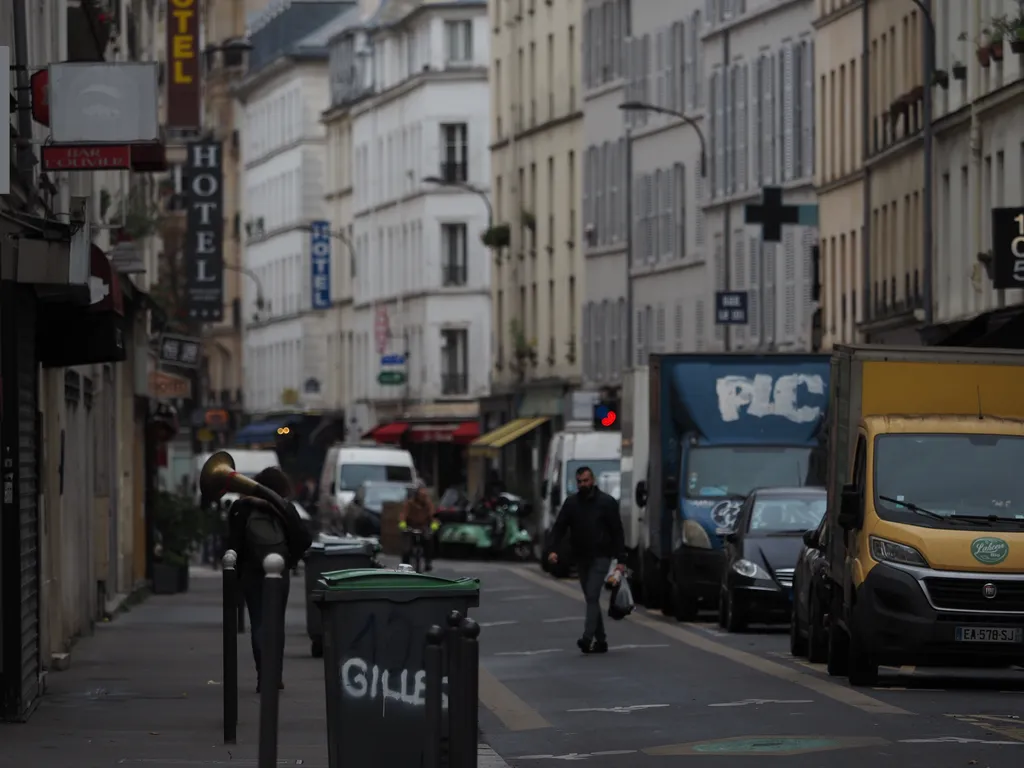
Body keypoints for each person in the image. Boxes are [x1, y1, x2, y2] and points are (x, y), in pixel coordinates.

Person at [226, 466, 312, 693]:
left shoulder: (240, 508)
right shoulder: (284, 508)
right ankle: (275, 675)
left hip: (251, 573)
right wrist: (288, 560)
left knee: (259, 622)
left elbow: (232, 543)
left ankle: (262, 675)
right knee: (275, 624)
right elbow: (304, 539)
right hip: (279, 571)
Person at [547, 466, 626, 654]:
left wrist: (621, 559)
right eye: (580, 481)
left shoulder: (607, 503)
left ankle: (587, 638)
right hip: (581, 556)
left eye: (586, 480)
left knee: (592, 595)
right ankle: (601, 640)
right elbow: (559, 527)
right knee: (591, 598)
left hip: (602, 556)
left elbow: (617, 532)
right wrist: (553, 549)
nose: (583, 484)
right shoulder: (571, 503)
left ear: (593, 480)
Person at [399, 481, 439, 571]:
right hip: (411, 528)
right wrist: (403, 526)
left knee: (429, 542)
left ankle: (428, 562)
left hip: (423, 528)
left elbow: (433, 517)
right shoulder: (409, 504)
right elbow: (403, 516)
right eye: (421, 493)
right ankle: (404, 565)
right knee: (407, 548)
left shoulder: (428, 504)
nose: (423, 496)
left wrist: (433, 527)